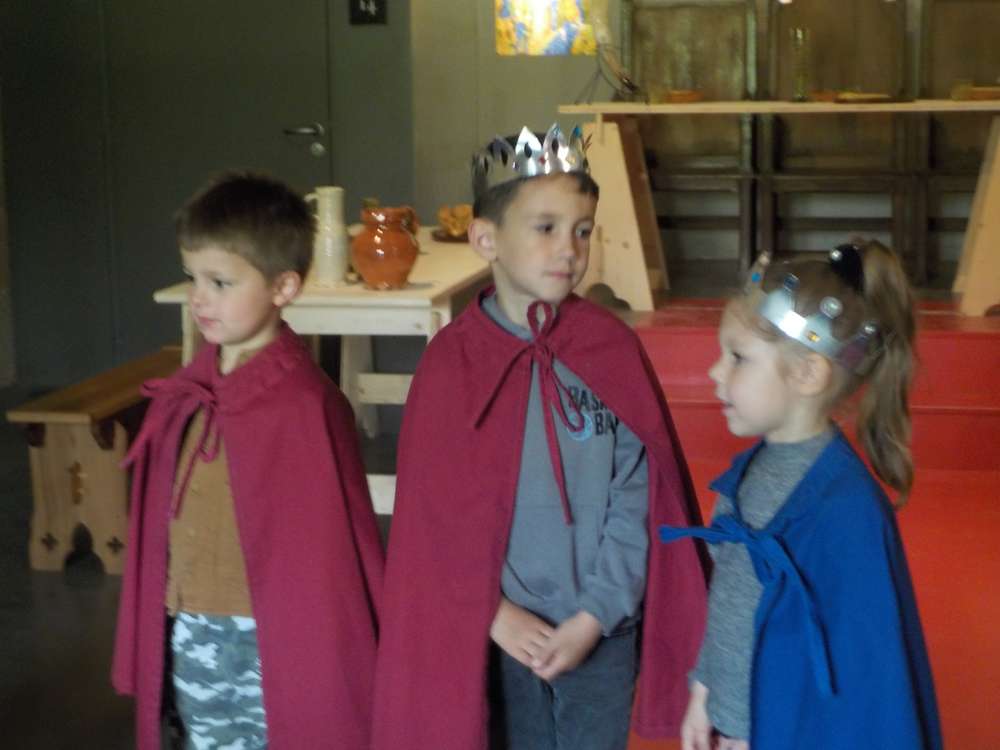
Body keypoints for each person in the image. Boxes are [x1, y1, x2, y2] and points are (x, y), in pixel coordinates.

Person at [371, 125, 707, 750]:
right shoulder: (452, 364)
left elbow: (640, 496)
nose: (568, 249)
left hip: (599, 631)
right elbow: (432, 520)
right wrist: (492, 612)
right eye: (545, 227)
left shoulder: (610, 349)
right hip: (496, 635)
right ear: (486, 239)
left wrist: (597, 614)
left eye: (582, 230)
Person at [111, 172, 384, 749]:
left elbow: (333, 557)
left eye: (220, 282)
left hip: (266, 635)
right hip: (189, 618)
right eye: (192, 277)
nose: (198, 297)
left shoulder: (304, 404)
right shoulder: (193, 388)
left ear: (283, 287)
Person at [661, 241, 943, 750]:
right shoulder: (744, 476)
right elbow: (729, 603)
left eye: (737, 358)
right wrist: (705, 693)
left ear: (808, 373)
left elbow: (862, 683)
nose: (715, 373)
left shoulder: (847, 510)